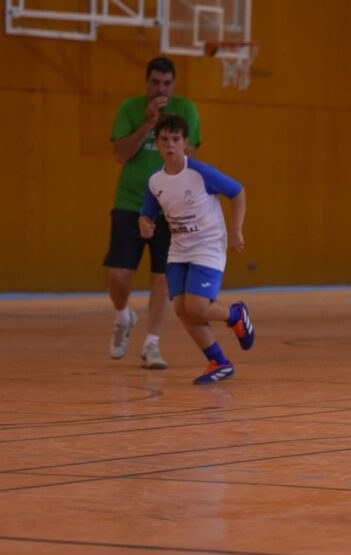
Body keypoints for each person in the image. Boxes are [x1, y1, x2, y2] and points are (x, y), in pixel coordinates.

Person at [139, 115, 254, 385]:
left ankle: (236, 315)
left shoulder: (200, 173)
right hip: (179, 249)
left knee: (197, 307)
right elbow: (147, 212)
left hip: (208, 244)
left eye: (175, 139)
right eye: (164, 140)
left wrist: (236, 229)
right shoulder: (155, 181)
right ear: (157, 143)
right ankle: (219, 362)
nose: (170, 145)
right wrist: (144, 224)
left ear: (185, 143)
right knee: (181, 309)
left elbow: (237, 191)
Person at [105, 56, 202, 368]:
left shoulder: (186, 110)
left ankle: (152, 344)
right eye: (155, 83)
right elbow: (120, 154)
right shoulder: (130, 109)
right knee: (117, 274)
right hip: (130, 202)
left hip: (168, 208)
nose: (161, 89)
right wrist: (149, 123)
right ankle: (123, 316)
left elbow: (189, 160)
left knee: (162, 277)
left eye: (167, 83)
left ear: (174, 84)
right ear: (147, 82)